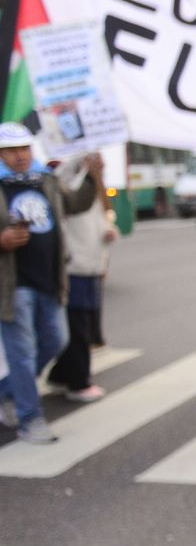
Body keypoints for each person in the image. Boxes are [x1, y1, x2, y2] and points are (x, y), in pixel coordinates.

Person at [0, 123, 97, 443]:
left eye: (24, 149)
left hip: (49, 279)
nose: (20, 156)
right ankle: (30, 419)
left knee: (56, 339)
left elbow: (76, 203)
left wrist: (93, 174)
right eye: (12, 151)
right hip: (13, 286)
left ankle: (7, 391)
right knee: (23, 353)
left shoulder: (45, 180)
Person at [46, 152, 116, 403]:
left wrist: (109, 231)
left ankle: (61, 375)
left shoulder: (94, 190)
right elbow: (65, 182)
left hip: (91, 266)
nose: (101, 166)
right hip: (75, 266)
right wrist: (81, 161)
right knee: (78, 327)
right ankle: (78, 381)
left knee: (83, 324)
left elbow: (101, 221)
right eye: (98, 163)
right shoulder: (71, 186)